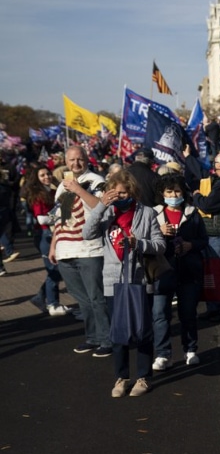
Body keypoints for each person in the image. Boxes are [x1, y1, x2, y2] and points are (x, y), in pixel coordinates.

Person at [83, 170, 165, 397]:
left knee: (143, 330)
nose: (120, 196)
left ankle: (143, 377)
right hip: (113, 281)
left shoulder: (146, 213)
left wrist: (138, 243)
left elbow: (160, 245)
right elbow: (87, 233)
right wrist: (100, 205)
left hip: (139, 280)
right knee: (117, 331)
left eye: (124, 192)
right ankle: (121, 377)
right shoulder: (107, 213)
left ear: (133, 192)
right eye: (116, 192)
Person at [49, 145, 113, 356]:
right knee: (83, 300)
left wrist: (78, 189)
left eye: (79, 159)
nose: (75, 163)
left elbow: (101, 208)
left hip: (90, 250)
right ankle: (92, 337)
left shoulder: (96, 181)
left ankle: (107, 339)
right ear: (65, 163)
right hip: (65, 250)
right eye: (71, 160)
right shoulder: (61, 186)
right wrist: (53, 245)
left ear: (87, 159)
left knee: (97, 298)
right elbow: (58, 220)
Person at [150, 174, 208, 371]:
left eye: (176, 191)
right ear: (162, 194)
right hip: (162, 271)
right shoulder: (154, 214)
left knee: (188, 312)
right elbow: (145, 241)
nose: (173, 195)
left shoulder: (193, 213)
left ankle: (190, 350)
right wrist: (158, 231)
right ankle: (163, 354)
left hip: (189, 270)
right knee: (160, 314)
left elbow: (204, 240)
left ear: (183, 192)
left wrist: (191, 245)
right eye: (169, 191)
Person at [192, 150, 220, 322]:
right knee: (210, 273)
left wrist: (197, 197)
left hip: (218, 233)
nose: (214, 171)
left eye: (217, 168)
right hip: (211, 232)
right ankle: (214, 306)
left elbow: (208, 205)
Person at [26, 166, 70, 315]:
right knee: (54, 270)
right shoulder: (38, 195)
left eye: (48, 174)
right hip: (44, 234)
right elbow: (41, 218)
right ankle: (53, 303)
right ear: (37, 178)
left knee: (56, 269)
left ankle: (41, 297)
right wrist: (60, 216)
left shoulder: (52, 192)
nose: (47, 177)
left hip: (54, 233)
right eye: (42, 175)